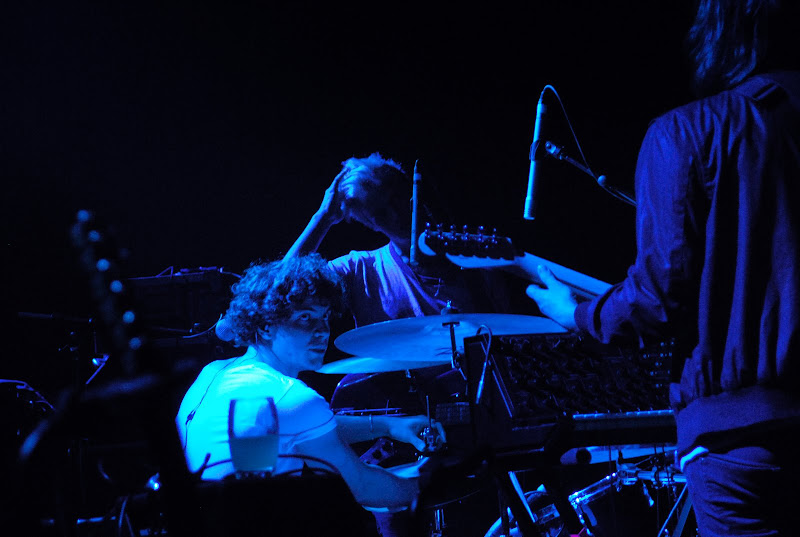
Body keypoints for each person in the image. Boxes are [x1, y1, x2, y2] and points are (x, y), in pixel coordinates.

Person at [526, 1, 800, 535]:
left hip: (740, 442)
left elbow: (656, 300)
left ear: (717, 30)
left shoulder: (687, 132)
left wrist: (576, 313)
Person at [175, 254, 441, 515]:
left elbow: (291, 425)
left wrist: (388, 425)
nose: (323, 330)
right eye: (305, 317)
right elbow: (364, 487)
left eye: (325, 317)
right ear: (266, 326)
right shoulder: (289, 396)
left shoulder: (215, 372)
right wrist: (430, 486)